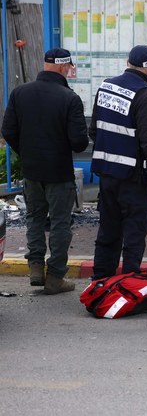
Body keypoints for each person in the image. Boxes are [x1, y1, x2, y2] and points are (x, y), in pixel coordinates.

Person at [1, 48, 89, 294]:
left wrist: (26, 152)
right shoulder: (69, 98)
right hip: (59, 172)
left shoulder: (20, 93)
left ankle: (36, 268)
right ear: (64, 67)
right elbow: (79, 142)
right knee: (61, 223)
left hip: (32, 170)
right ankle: (55, 277)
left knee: (34, 219)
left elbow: (8, 131)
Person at [88, 45, 147, 279]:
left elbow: (94, 130)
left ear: (128, 62)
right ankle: (127, 283)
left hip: (106, 174)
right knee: (134, 233)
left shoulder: (106, 86)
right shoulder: (145, 95)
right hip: (132, 179)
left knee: (108, 232)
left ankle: (100, 282)